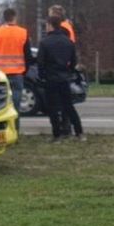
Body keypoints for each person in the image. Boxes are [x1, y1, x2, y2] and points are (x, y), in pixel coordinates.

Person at [36, 14, 84, 142]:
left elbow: (40, 62)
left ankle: (57, 134)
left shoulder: (45, 42)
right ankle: (79, 132)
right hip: (64, 77)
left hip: (51, 78)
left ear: (50, 25)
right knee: (68, 106)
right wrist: (68, 71)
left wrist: (42, 76)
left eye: (46, 25)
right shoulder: (68, 41)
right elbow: (73, 61)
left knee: (53, 108)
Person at [0, 7, 32, 131]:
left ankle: (0, 131)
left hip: (0, 75)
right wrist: (25, 70)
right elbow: (27, 55)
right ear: (15, 17)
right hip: (17, 73)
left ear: (4, 18)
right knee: (16, 106)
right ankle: (15, 131)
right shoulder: (23, 32)